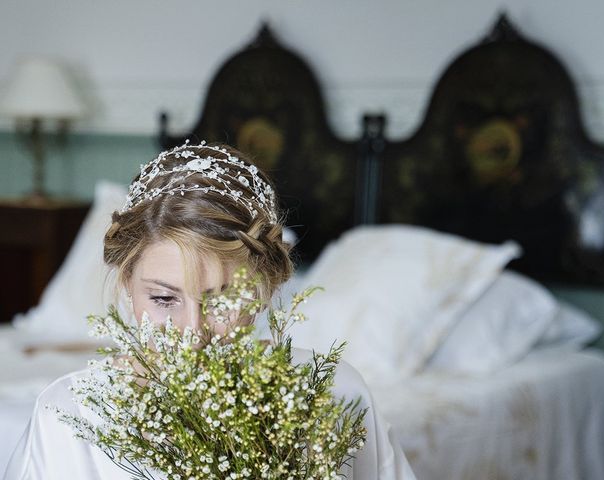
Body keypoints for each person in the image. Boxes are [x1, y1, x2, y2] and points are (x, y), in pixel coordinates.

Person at [3, 141, 416, 480]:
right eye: (164, 299)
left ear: (264, 289)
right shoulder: (68, 414)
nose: (193, 331)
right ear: (128, 284)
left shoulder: (334, 392)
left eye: (221, 300)